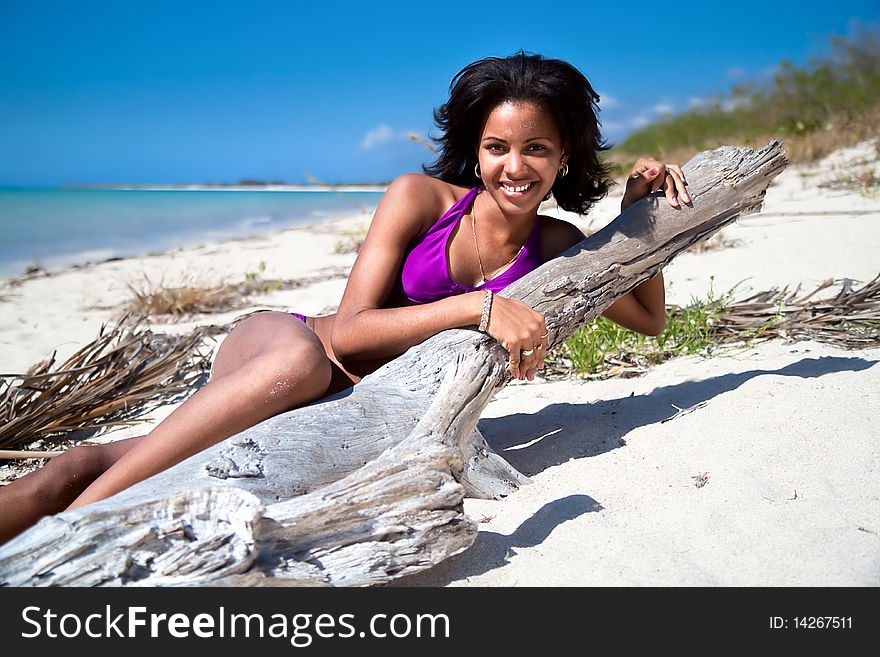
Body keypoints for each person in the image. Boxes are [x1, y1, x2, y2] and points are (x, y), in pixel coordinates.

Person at [0, 52, 688, 544]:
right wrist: (478, 308)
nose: (515, 166)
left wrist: (636, 219)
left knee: (81, 463)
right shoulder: (417, 198)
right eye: (497, 146)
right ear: (475, 152)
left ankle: (63, 505)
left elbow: (649, 319)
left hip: (355, 408)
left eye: (536, 147)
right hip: (292, 351)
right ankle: (64, 535)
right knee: (294, 367)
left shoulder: (559, 240)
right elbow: (353, 331)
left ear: (563, 155)